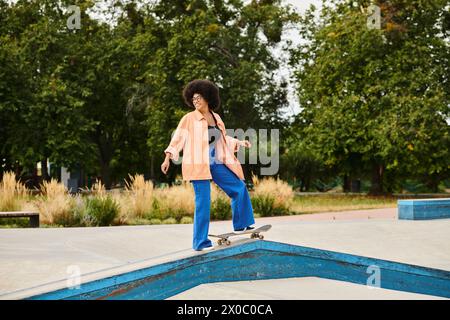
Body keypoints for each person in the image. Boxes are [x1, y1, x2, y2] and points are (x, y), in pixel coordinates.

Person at [161, 79, 255, 251]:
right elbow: (177, 139)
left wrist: (239, 142)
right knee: (203, 203)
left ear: (208, 98)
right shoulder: (189, 119)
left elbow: (222, 139)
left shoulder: (216, 118)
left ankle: (242, 224)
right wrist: (168, 157)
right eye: (193, 98)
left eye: (199, 97)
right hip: (198, 165)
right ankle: (200, 242)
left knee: (239, 187)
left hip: (216, 162)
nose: (195, 101)